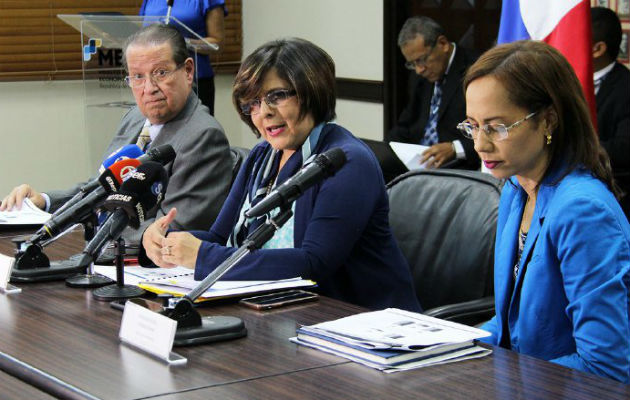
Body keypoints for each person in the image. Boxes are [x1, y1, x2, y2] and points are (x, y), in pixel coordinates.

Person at [141, 38, 421, 312]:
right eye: (252, 103)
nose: (264, 113)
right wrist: (171, 243)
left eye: (276, 96)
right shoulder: (262, 155)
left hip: (361, 325)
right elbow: (221, 237)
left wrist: (203, 256)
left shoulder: (346, 162)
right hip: (281, 314)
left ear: (311, 91)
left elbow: (313, 264)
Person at [459, 40, 630, 382]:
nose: (479, 145)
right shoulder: (515, 189)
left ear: (549, 120)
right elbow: (513, 326)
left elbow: (606, 367)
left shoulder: (582, 210)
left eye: (496, 127)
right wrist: (443, 349)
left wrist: (494, 377)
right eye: (472, 126)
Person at [0, 24, 232, 247]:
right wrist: (44, 201)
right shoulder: (134, 118)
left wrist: (90, 227)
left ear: (188, 71)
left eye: (160, 73)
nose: (148, 88)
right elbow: (101, 187)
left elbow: (171, 229)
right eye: (137, 76)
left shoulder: (203, 136)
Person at [387, 16, 479, 170]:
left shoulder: (475, 70)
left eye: (422, 60)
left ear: (442, 44)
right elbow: (406, 126)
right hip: (419, 163)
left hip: (459, 168)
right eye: (412, 63)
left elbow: (489, 130)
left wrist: (455, 149)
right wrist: (381, 151)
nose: (418, 70)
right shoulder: (420, 77)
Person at [140, 0, 227, 115]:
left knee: (196, 129)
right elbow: (142, 35)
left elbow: (217, 44)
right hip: (154, 80)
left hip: (194, 80)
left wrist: (182, 42)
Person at [591, 6, 630, 217]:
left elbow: (624, 149)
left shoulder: (625, 88)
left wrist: (575, 148)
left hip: (612, 199)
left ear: (598, 49)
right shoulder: (566, 81)